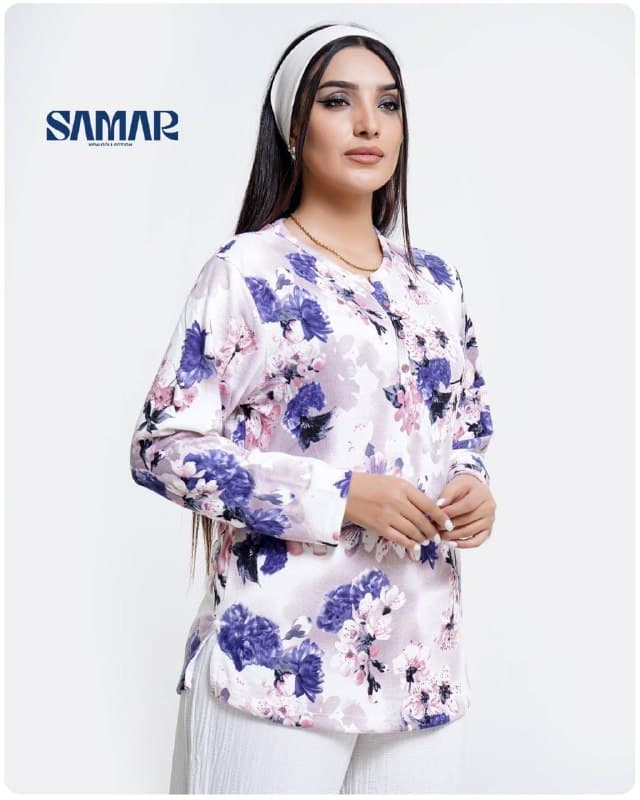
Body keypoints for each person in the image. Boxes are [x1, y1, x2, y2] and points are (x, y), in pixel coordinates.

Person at [129, 20, 497, 794]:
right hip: (277, 666)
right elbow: (162, 445)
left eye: (388, 104)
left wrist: (471, 484)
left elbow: (467, 428)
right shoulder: (248, 270)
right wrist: (340, 496)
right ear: (294, 129)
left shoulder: (436, 283)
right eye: (338, 101)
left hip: (421, 663)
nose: (369, 124)